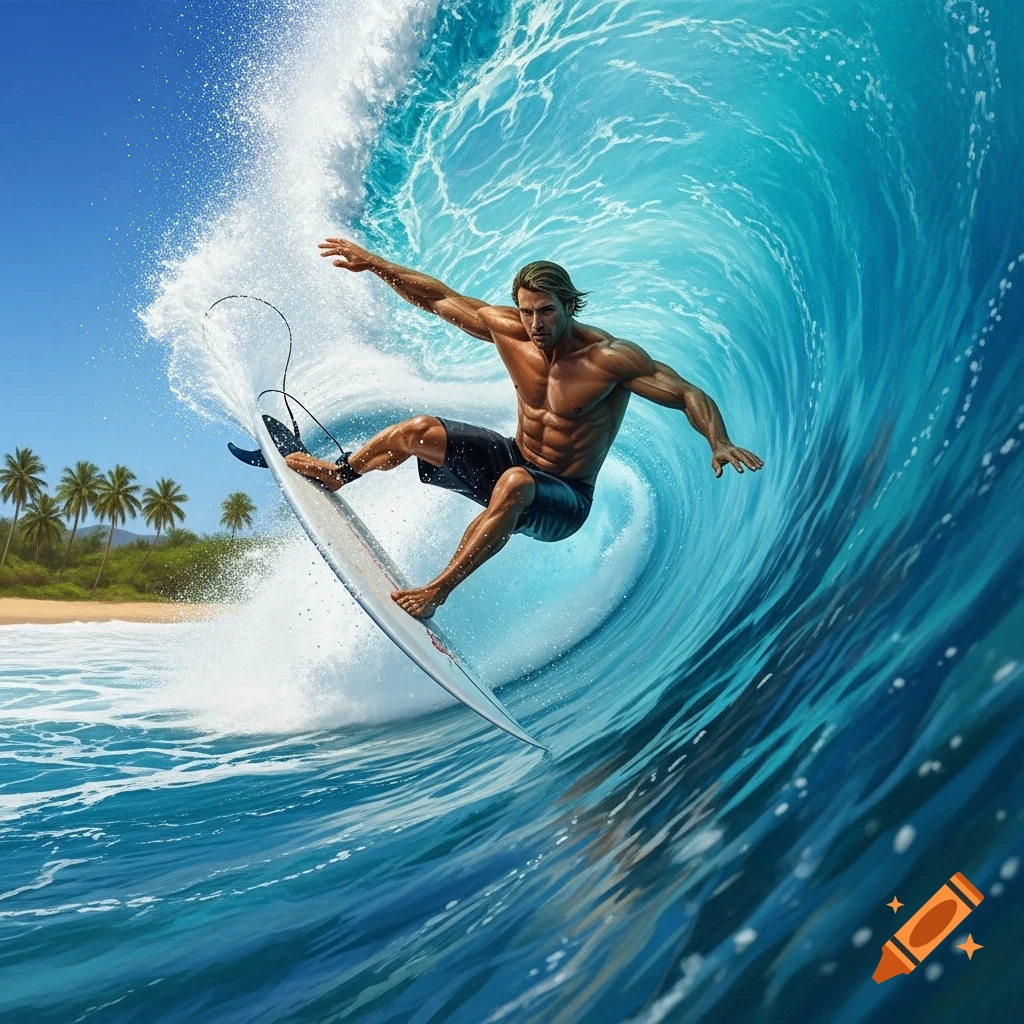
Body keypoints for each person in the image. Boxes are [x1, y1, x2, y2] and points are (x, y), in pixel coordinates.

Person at [285, 237, 763, 619]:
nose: (535, 322)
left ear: (570, 304)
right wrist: (372, 264)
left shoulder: (609, 358)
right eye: (526, 310)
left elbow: (685, 393)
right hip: (517, 459)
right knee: (418, 430)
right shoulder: (510, 330)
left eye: (546, 311)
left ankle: (436, 592)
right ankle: (341, 473)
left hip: (565, 500)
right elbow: (437, 297)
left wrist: (718, 441)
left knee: (515, 483)